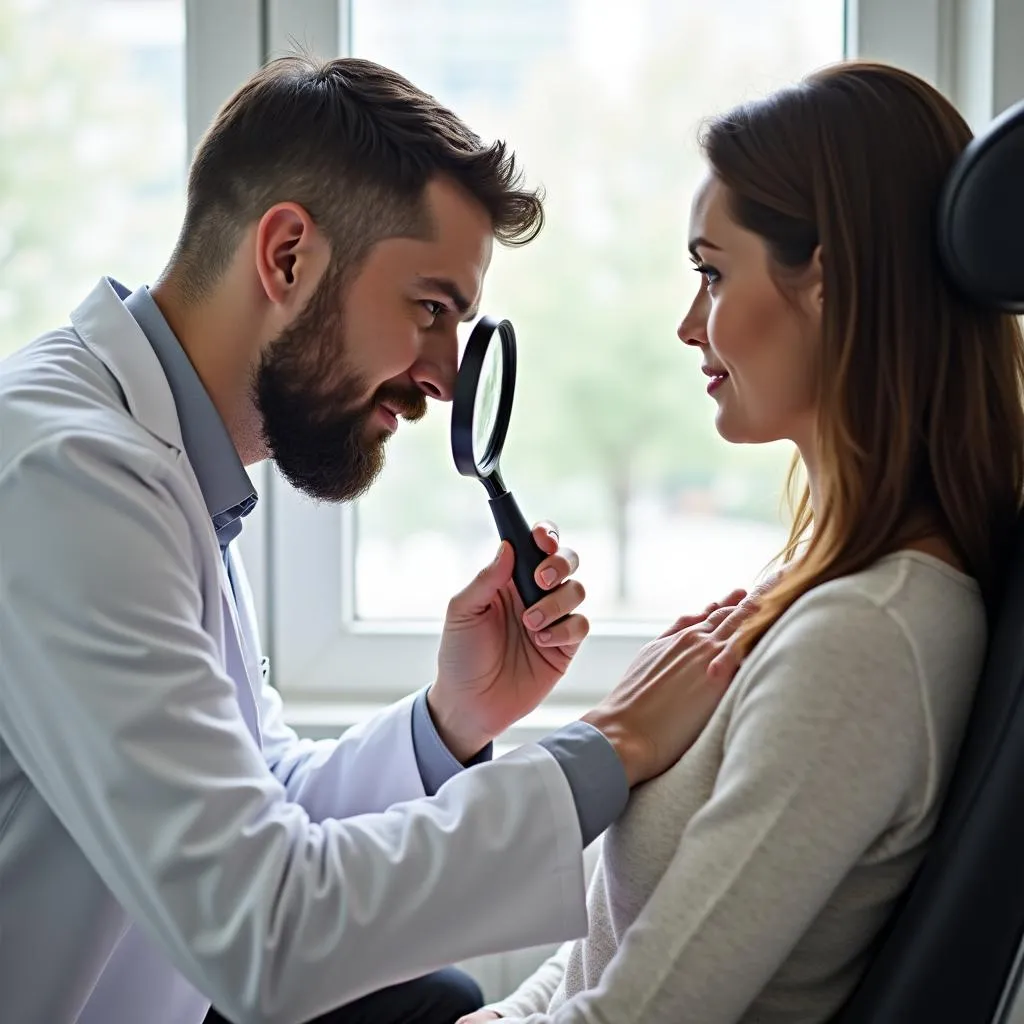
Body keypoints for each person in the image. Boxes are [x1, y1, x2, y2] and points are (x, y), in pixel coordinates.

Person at [0, 54, 763, 1024]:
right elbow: (263, 927)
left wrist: (451, 716)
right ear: (286, 257)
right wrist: (605, 750)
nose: (444, 377)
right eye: (430, 310)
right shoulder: (70, 479)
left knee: (427, 999)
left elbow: (258, 796)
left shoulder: (166, 464)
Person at [458, 60, 1024, 1024]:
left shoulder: (866, 639)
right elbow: (594, 962)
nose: (689, 325)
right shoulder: (814, 584)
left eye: (712, 273)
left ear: (827, 281)